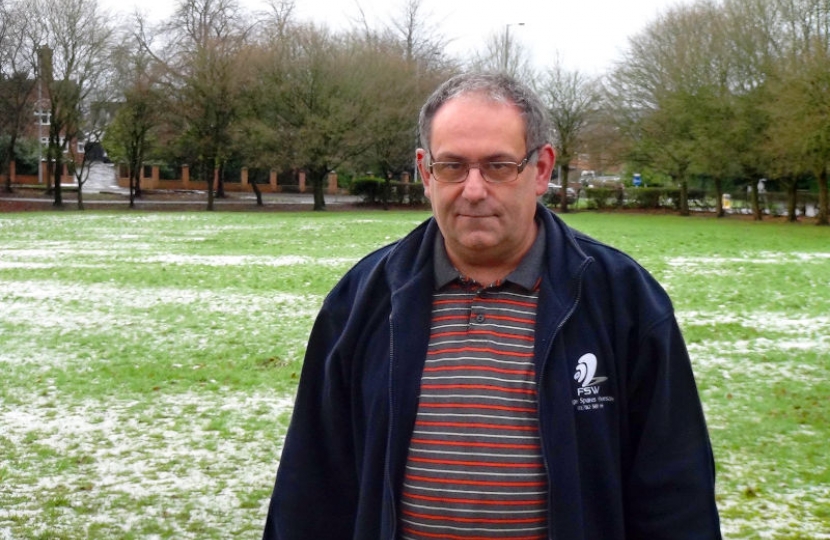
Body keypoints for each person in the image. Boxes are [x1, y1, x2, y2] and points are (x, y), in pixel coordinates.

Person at [262, 72, 722, 540]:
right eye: (452, 166)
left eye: (499, 166)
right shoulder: (362, 300)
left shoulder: (624, 300)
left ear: (541, 169)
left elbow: (675, 495)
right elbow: (311, 490)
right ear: (425, 172)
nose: (474, 189)